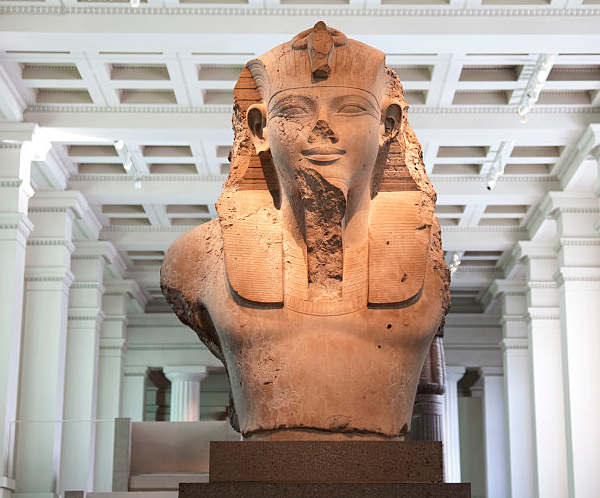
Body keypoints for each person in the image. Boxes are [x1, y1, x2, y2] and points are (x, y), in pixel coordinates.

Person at [162, 22, 449, 440]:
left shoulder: (428, 264)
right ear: (260, 129)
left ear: (388, 125)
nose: (322, 128)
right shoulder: (195, 259)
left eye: (350, 108)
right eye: (294, 110)